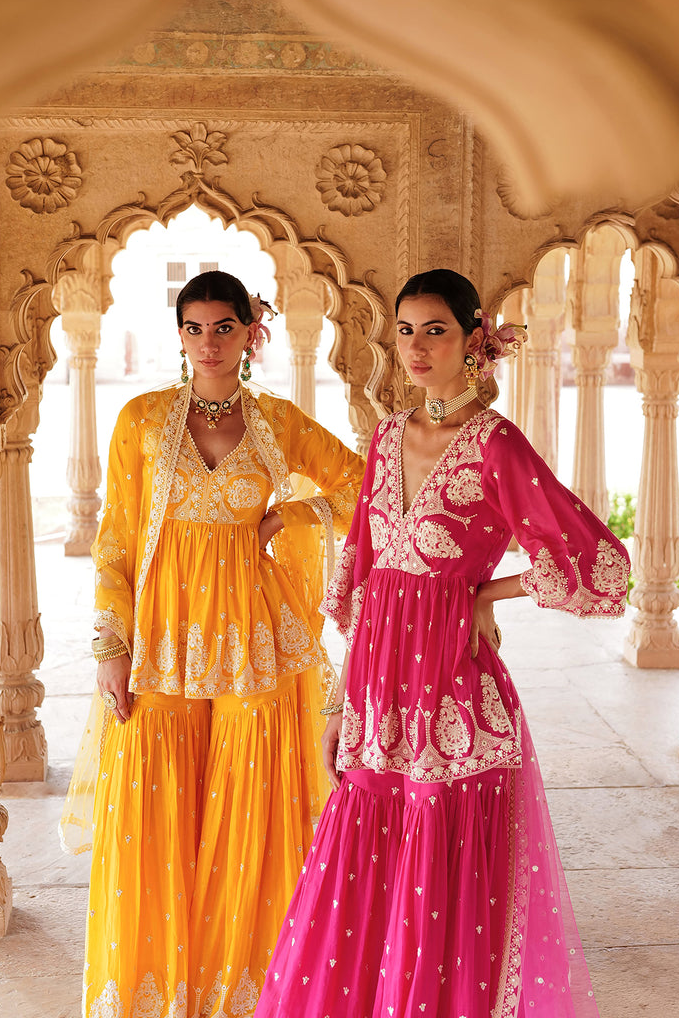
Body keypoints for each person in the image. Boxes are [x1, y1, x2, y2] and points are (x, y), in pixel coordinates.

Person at [256, 268, 630, 1018]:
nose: (417, 348)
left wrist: (486, 592)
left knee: (440, 885)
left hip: (453, 699)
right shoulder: (388, 436)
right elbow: (361, 581)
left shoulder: (497, 446)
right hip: (378, 695)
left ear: (473, 343)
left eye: (436, 331)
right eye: (405, 330)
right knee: (366, 869)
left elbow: (600, 563)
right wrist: (339, 705)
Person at [60, 270, 366, 1018]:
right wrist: (110, 646)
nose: (207, 344)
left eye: (222, 328)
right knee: (151, 819)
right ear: (179, 335)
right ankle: (153, 994)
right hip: (161, 644)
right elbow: (116, 545)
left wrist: (293, 518)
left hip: (250, 645)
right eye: (193, 329)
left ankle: (237, 994)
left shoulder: (277, 424)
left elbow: (366, 485)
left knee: (246, 816)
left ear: (249, 333)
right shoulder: (140, 420)